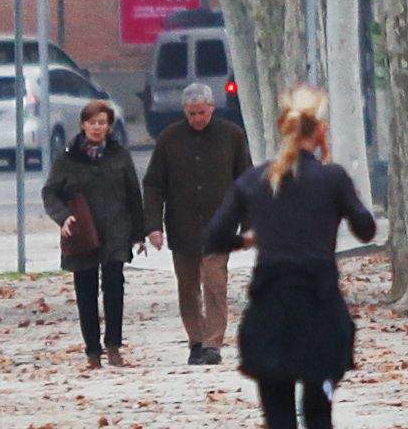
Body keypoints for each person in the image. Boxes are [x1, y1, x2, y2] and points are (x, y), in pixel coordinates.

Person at [207, 87, 379, 429]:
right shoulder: (332, 180)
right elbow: (366, 229)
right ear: (318, 132)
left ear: (282, 129)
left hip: (269, 319)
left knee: (279, 426)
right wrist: (333, 195)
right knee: (319, 413)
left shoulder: (253, 182)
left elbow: (213, 237)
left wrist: (251, 237)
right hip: (321, 316)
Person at [140, 80, 253, 363]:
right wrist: (154, 226)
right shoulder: (169, 139)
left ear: (212, 109)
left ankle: (213, 344)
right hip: (182, 227)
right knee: (188, 286)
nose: (197, 119)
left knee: (215, 283)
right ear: (184, 111)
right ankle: (196, 340)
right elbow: (154, 185)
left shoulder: (232, 136)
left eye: (201, 113)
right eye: (191, 114)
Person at [40, 99, 148, 366]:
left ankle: (113, 345)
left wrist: (138, 233)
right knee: (85, 290)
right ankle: (92, 350)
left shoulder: (119, 155)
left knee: (114, 286)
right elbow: (50, 192)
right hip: (82, 232)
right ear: (82, 125)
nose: (97, 128)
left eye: (102, 123)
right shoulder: (67, 158)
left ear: (109, 126)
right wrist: (63, 217)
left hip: (115, 229)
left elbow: (134, 194)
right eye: (92, 122)